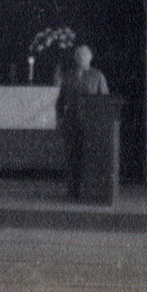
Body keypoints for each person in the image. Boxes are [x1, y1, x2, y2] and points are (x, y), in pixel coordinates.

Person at [55, 45, 109, 200]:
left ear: (90, 58)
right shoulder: (69, 75)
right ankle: (73, 190)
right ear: (75, 58)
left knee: (88, 157)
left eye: (85, 56)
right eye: (79, 56)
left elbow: (105, 99)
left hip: (90, 124)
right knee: (72, 157)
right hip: (71, 122)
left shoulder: (98, 76)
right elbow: (60, 101)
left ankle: (88, 190)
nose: (82, 59)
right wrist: (59, 119)